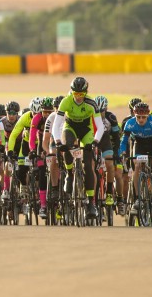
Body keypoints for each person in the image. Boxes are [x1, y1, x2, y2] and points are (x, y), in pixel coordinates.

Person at [51, 77, 104, 220]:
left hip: (86, 130)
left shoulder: (91, 103)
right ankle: (69, 173)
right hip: (70, 127)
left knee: (88, 166)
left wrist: (95, 142)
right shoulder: (66, 101)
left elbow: (100, 126)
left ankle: (91, 202)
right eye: (76, 94)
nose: (79, 97)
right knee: (66, 146)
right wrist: (57, 141)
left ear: (86, 93)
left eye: (81, 94)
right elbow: (56, 125)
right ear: (72, 92)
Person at [119, 102, 152, 222]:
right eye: (138, 117)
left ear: (148, 115)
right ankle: (137, 198)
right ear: (134, 115)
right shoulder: (130, 123)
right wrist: (123, 153)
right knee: (137, 166)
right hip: (139, 145)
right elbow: (124, 141)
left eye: (143, 117)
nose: (140, 120)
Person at [8, 97, 42, 217]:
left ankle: (39, 192)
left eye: (38, 113)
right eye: (34, 113)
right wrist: (10, 150)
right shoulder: (25, 117)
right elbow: (13, 135)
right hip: (27, 144)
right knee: (21, 170)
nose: (36, 116)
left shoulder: (45, 118)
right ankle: (23, 186)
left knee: (40, 171)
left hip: (41, 144)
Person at [28, 96, 55, 219]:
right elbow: (32, 137)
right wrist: (33, 150)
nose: (47, 114)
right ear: (41, 111)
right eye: (45, 111)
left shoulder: (56, 118)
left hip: (54, 143)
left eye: (50, 111)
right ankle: (43, 205)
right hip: (41, 145)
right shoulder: (37, 118)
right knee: (42, 171)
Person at [93, 95, 119, 213]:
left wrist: (116, 152)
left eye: (102, 111)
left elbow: (116, 137)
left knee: (109, 164)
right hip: (94, 141)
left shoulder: (111, 118)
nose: (100, 113)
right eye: (98, 111)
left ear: (106, 109)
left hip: (106, 141)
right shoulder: (90, 116)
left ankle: (109, 193)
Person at [0, 101, 21, 202]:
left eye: (14, 114)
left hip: (19, 144)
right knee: (7, 164)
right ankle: (6, 189)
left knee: (23, 167)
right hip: (7, 143)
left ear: (17, 114)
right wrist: (3, 153)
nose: (11, 116)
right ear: (6, 113)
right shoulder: (2, 122)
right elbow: (2, 140)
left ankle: (23, 190)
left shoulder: (21, 121)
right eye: (9, 113)